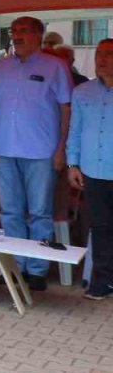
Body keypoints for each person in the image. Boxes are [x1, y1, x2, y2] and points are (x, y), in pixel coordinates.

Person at [0, 16, 73, 291]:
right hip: (5, 150)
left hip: (41, 151)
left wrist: (61, 148)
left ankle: (37, 269)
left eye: (23, 31)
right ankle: (15, 267)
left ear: (38, 34)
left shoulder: (55, 66)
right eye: (14, 31)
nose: (17, 35)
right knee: (9, 212)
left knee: (40, 213)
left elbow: (65, 109)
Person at [66, 38, 113, 300]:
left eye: (108, 54)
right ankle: (105, 280)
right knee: (101, 227)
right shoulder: (82, 92)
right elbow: (75, 131)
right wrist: (72, 164)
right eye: (99, 54)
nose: (101, 59)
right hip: (92, 171)